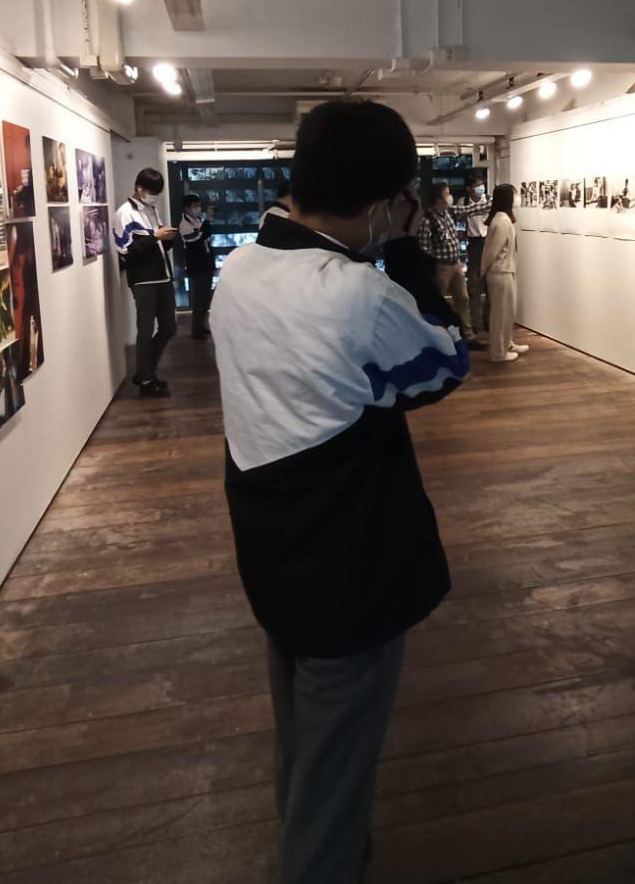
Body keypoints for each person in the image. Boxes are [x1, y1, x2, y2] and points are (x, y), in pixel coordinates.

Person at [212, 100, 471, 883]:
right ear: (386, 202)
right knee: (335, 781)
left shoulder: (239, 270)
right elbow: (444, 363)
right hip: (349, 567)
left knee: (304, 745)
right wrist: (411, 254)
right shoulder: (356, 294)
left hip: (274, 550)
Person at [113, 168, 177, 398]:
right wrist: (154, 237)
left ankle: (144, 372)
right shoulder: (124, 213)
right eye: (152, 192)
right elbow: (125, 251)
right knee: (146, 329)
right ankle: (146, 380)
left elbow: (157, 246)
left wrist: (167, 239)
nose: (154, 197)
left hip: (163, 275)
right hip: (143, 280)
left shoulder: (151, 210)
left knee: (169, 327)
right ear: (139, 188)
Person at [417, 184, 488, 350]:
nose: (450, 197)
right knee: (438, 302)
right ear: (438, 198)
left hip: (456, 265)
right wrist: (435, 262)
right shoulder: (427, 220)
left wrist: (492, 204)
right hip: (441, 267)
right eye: (447, 194)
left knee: (463, 299)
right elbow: (424, 248)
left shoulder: (449, 212)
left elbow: (471, 209)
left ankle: (468, 336)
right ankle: (437, 338)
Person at [481, 183, 529, 363]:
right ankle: (499, 352)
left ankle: (507, 344)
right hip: (500, 271)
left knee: (507, 312)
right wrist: (483, 271)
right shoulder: (502, 221)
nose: (517, 198)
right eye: (515, 194)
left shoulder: (503, 219)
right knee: (500, 314)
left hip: (504, 270)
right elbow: (492, 251)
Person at [178, 193, 216, 339]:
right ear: (187, 208)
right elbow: (196, 238)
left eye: (199, 205)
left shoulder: (198, 220)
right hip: (197, 266)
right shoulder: (184, 225)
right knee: (199, 298)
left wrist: (206, 221)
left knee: (206, 298)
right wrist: (207, 220)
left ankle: (202, 325)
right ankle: (196, 330)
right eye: (195, 206)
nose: (198, 208)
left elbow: (206, 235)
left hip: (206, 263)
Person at [462, 176, 490, 335]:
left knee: (490, 285)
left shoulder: (489, 200)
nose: (481, 188)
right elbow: (459, 220)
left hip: (488, 241)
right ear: (469, 188)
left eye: (482, 185)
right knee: (474, 286)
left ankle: (488, 321)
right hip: (473, 244)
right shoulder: (463, 202)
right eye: (478, 186)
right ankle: (476, 323)